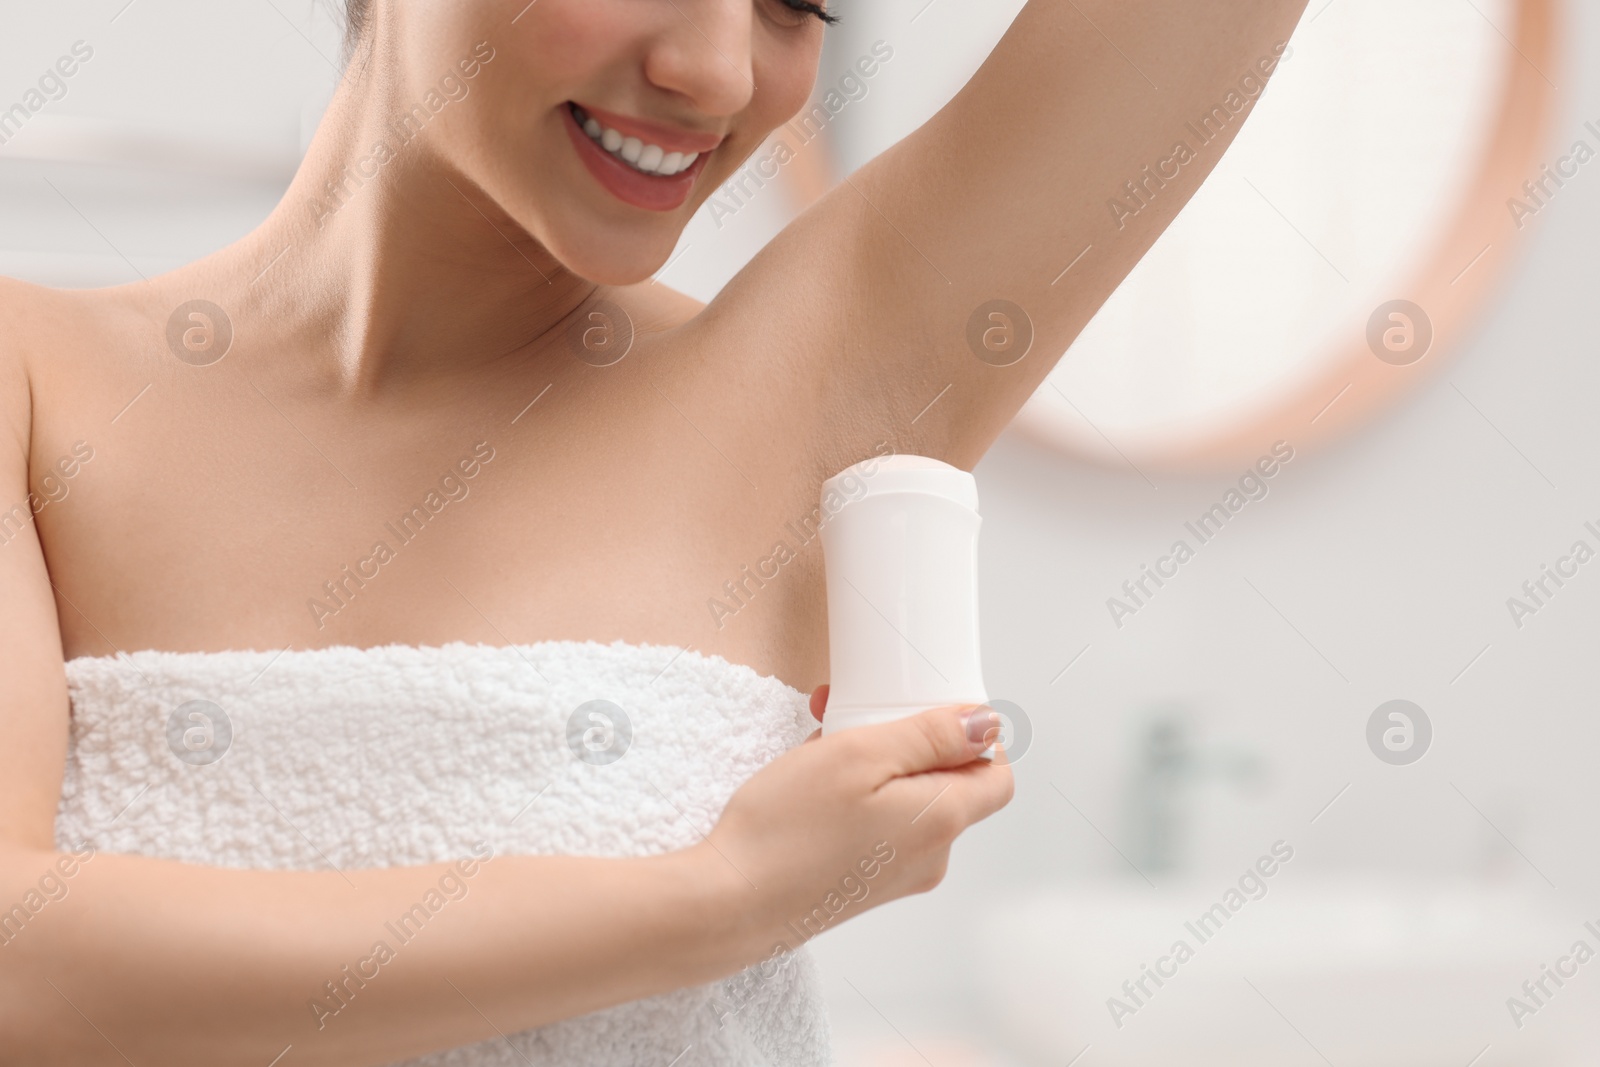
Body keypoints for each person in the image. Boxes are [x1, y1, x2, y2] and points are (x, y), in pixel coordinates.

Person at [0, 0, 1308, 1062]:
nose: (718, 71)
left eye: (799, 5)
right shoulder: (31, 375)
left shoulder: (816, 381)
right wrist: (728, 894)